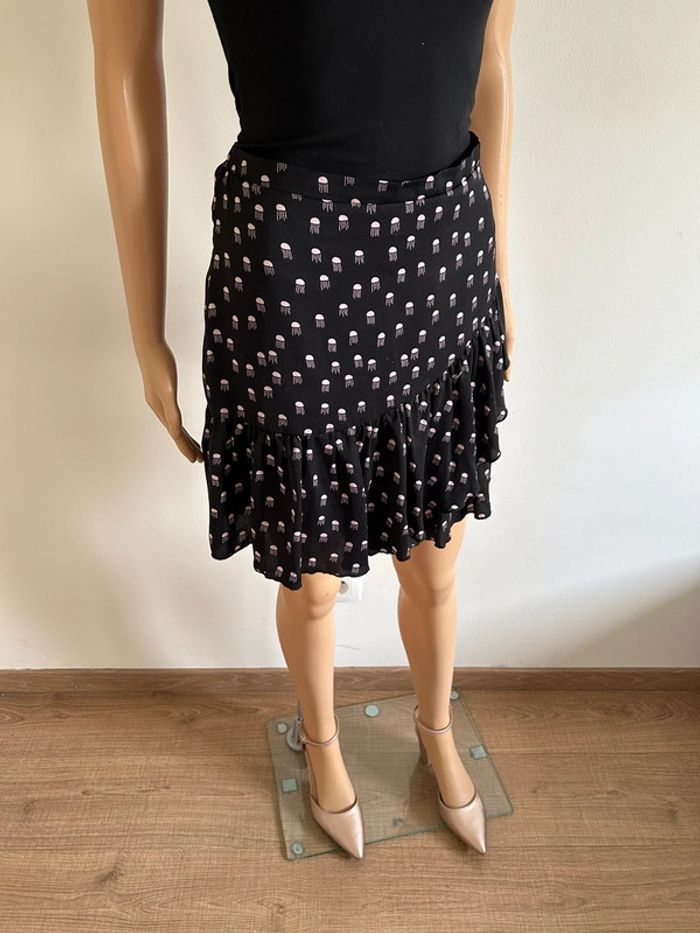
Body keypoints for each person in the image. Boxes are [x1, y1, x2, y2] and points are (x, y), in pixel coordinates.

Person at [86, 0, 516, 860]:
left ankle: (437, 729)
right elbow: (124, 70)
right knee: (313, 577)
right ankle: (322, 746)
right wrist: (145, 333)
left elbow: (492, 68)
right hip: (297, 264)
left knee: (436, 559)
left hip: (444, 256)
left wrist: (497, 272)